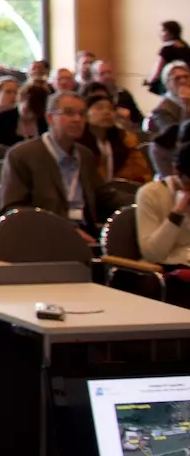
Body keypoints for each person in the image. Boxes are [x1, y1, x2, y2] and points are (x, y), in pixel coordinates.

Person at [0, 91, 108, 232]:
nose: (77, 119)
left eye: (82, 114)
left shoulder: (85, 155)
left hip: (86, 230)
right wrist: (64, 231)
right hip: (44, 235)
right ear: (50, 118)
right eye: (69, 113)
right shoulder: (22, 155)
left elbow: (102, 196)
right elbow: (14, 209)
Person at [132, 144, 190, 306]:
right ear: (176, 171)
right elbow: (153, 253)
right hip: (167, 268)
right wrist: (177, 213)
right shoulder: (151, 194)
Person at [79, 92, 152, 185]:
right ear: (85, 115)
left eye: (111, 109)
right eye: (99, 108)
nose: (107, 112)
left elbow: (141, 173)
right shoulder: (78, 142)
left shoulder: (125, 140)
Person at [147, 20, 190, 96]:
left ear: (171, 32)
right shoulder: (185, 46)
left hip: (170, 85)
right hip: (185, 84)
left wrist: (149, 80)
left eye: (163, 31)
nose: (160, 34)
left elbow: (157, 69)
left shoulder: (167, 49)